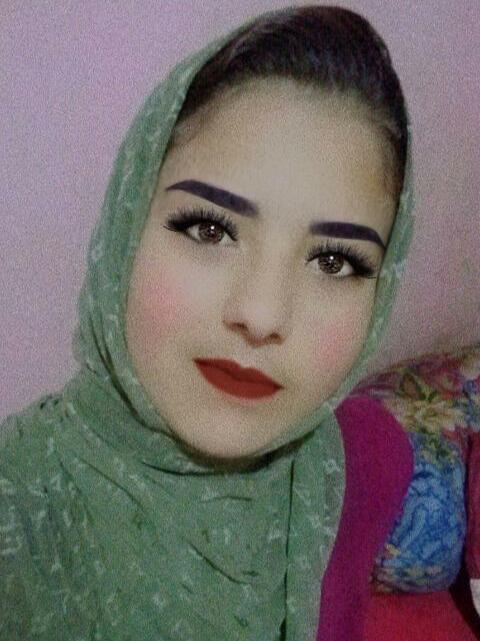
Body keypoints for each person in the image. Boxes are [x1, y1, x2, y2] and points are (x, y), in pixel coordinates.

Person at [0, 5, 414, 640]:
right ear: (128, 223)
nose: (261, 315)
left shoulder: (365, 465)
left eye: (334, 261)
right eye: (210, 229)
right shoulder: (20, 508)